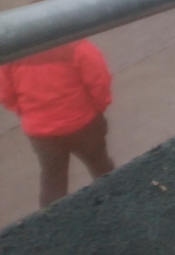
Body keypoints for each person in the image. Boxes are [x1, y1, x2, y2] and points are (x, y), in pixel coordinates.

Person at [0, 38, 115, 207]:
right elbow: (99, 81)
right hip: (83, 124)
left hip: (41, 131)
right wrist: (99, 109)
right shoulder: (76, 46)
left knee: (53, 180)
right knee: (100, 164)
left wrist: (27, 113)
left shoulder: (14, 54)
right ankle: (116, 200)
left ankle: (52, 224)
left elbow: (5, 93)